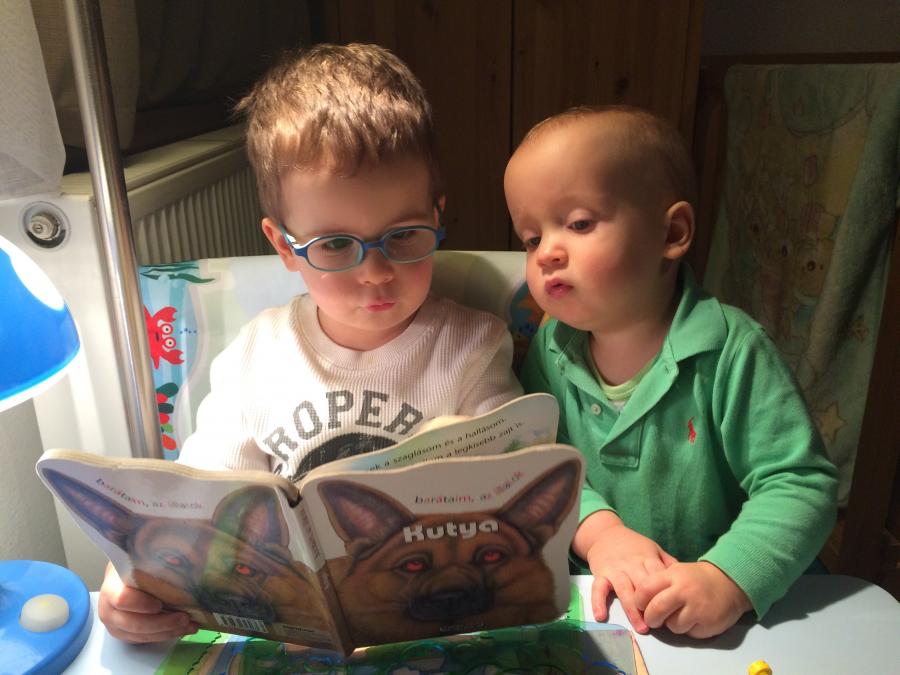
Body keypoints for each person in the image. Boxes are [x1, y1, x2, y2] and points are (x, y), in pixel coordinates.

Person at [98, 43, 522, 643]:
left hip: (437, 615)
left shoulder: (473, 346)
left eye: (404, 235)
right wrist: (138, 577)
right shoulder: (257, 353)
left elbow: (515, 489)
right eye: (335, 245)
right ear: (283, 246)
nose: (375, 272)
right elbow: (203, 495)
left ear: (436, 216)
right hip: (290, 621)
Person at [504, 105, 838, 639]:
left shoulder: (733, 350)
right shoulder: (551, 345)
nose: (546, 253)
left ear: (672, 232)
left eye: (579, 223)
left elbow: (800, 484)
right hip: (605, 609)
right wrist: (601, 533)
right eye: (531, 238)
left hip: (736, 623)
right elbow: (539, 461)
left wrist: (728, 578)